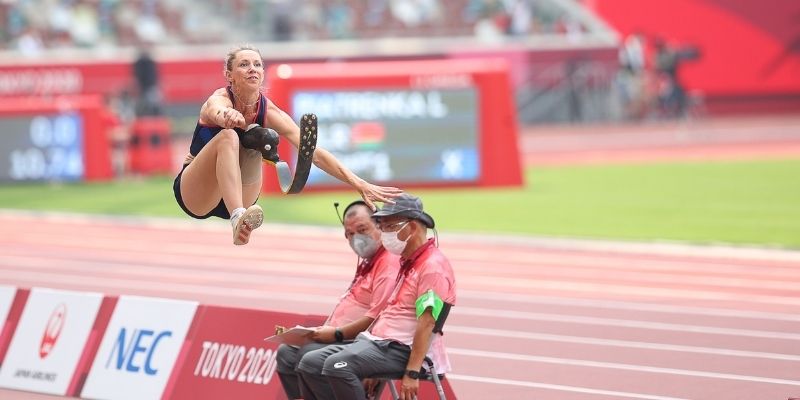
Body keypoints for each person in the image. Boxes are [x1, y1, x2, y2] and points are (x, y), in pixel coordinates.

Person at [172, 45, 402, 245]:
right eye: (244, 64)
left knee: (260, 135)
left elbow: (313, 153)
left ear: (263, 73)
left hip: (241, 192)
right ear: (229, 75)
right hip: (198, 194)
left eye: (257, 64)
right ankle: (238, 219)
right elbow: (215, 109)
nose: (252, 68)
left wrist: (359, 183)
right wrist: (226, 116)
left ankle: (240, 213)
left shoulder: (269, 111)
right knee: (229, 136)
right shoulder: (220, 99)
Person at [296, 193, 456, 400]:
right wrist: (370, 360)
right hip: (378, 343)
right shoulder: (407, 262)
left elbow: (427, 322)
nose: (384, 233)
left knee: (337, 366)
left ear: (413, 227)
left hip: (402, 349)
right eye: (382, 226)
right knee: (310, 363)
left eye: (389, 227)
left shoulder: (432, 267)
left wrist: (412, 372)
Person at [276, 200, 401, 399]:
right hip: (341, 337)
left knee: (308, 357)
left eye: (362, 229)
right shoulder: (368, 263)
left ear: (380, 225)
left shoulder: (388, 263)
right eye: (349, 234)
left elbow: (378, 319)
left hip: (360, 342)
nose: (356, 239)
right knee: (286, 353)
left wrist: (336, 334)